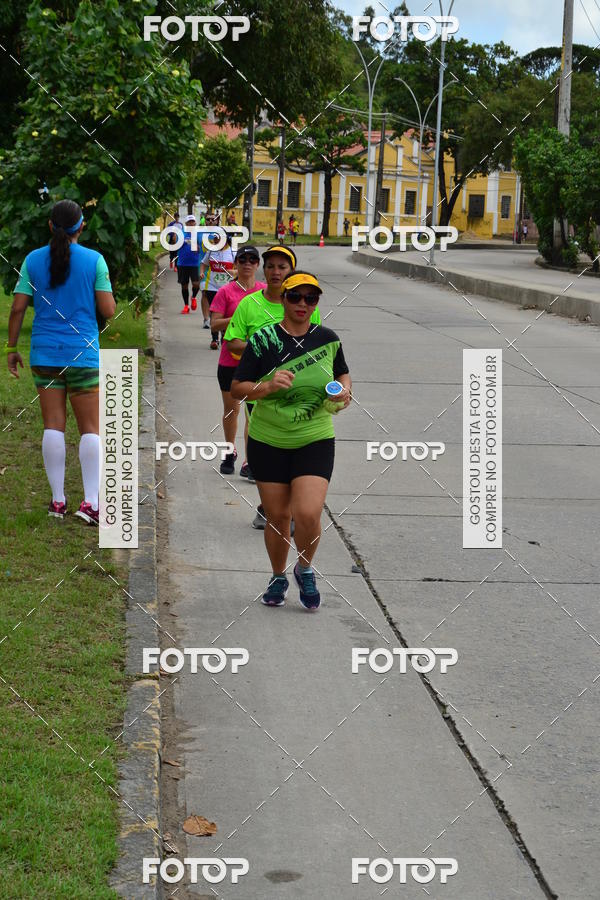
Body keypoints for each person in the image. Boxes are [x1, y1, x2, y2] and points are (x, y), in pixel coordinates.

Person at [231, 271, 351, 610]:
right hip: (268, 439)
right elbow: (238, 388)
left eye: (310, 298)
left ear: (316, 303)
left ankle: (305, 568)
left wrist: (345, 390)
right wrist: (267, 387)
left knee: (308, 512)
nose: (303, 304)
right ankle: (277, 575)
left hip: (315, 437)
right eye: (296, 297)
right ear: (283, 298)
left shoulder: (327, 338)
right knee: (278, 516)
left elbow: (342, 371)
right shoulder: (263, 340)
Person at [7, 199, 116, 524]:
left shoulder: (32, 260)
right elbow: (109, 310)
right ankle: (90, 503)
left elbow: (17, 309)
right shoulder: (95, 261)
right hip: (83, 354)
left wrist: (10, 349)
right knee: (91, 429)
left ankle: (57, 502)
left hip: (45, 354)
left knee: (52, 425)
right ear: (81, 227)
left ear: (51, 226)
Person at [224, 245, 321, 527]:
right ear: (264, 270)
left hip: (300, 393)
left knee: (297, 450)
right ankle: (270, 506)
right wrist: (266, 349)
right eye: (271, 266)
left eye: (283, 267)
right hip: (260, 393)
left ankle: (283, 509)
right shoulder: (249, 305)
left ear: (292, 272)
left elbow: (318, 346)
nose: (276, 272)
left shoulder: (306, 303)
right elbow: (233, 342)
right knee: (268, 453)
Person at [210, 246, 266, 475]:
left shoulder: (264, 292)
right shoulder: (225, 292)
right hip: (229, 361)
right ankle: (229, 450)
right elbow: (214, 324)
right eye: (243, 259)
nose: (248, 263)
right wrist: (239, 317)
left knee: (253, 413)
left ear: (257, 265)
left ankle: (250, 460)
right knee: (232, 410)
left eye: (253, 259)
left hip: (257, 363)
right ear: (236, 263)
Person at [199, 233, 235, 348]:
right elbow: (203, 263)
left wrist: (235, 273)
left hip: (226, 287)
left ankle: (224, 336)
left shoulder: (233, 252)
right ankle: (214, 339)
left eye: (217, 238)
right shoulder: (211, 250)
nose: (215, 240)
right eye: (214, 238)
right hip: (211, 286)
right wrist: (201, 272)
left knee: (225, 313)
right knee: (214, 312)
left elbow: (239, 268)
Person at [177, 214, 202, 314]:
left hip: (195, 264)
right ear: (186, 224)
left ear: (195, 223)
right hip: (182, 264)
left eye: (193, 222)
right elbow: (176, 244)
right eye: (189, 222)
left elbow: (202, 247)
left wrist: (199, 248)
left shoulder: (198, 234)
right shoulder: (181, 234)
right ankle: (186, 306)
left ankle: (194, 297)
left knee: (196, 284)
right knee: (184, 286)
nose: (191, 224)